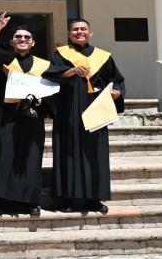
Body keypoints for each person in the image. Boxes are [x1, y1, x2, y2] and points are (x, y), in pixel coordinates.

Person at [44, 18, 126, 214]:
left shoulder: (103, 56)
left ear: (90, 33)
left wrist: (118, 92)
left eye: (83, 29)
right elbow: (49, 75)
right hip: (68, 108)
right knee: (68, 150)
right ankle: (67, 198)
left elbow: (118, 81)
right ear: (68, 33)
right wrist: (71, 71)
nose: (79, 32)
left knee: (94, 153)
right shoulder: (61, 55)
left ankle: (93, 199)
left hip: (95, 108)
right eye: (75, 29)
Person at [0, 12, 52, 216]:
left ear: (33, 42)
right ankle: (5, 201)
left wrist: (45, 99)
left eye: (27, 37)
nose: (22, 40)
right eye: (18, 37)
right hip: (7, 115)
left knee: (31, 157)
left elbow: (53, 90)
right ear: (12, 42)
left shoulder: (44, 65)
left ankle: (31, 201)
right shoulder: (5, 59)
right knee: (6, 156)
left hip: (32, 116)